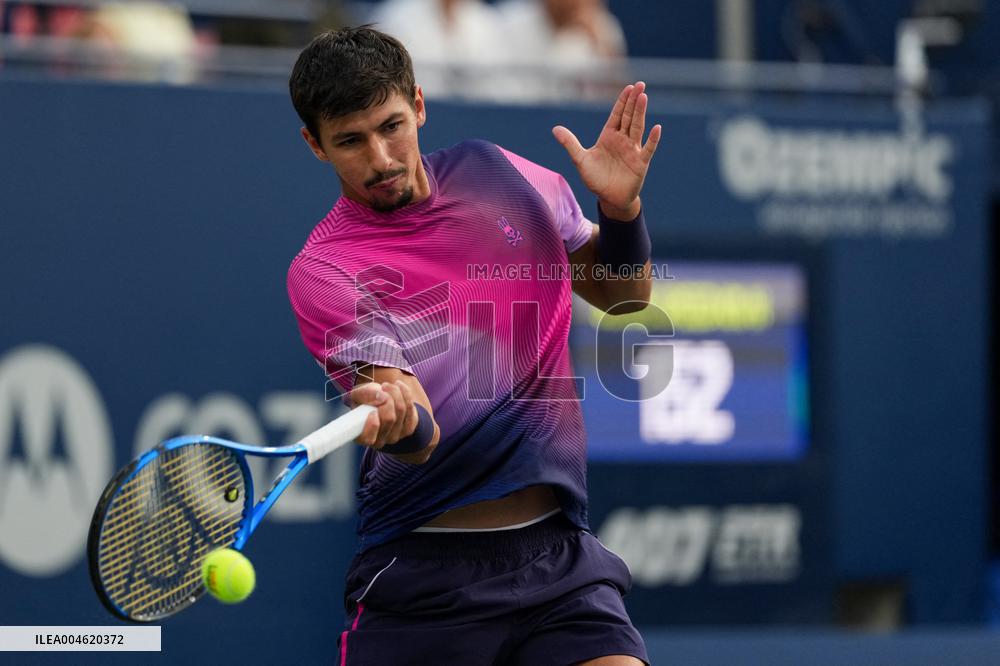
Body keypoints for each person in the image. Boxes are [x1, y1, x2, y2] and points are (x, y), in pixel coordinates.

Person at [287, 26, 660, 666]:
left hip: (559, 562)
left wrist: (621, 214)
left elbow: (624, 297)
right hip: (425, 582)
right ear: (315, 145)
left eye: (391, 126)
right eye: (351, 140)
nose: (380, 158)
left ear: (420, 105)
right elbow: (420, 431)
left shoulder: (504, 173)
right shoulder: (327, 269)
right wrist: (402, 417)